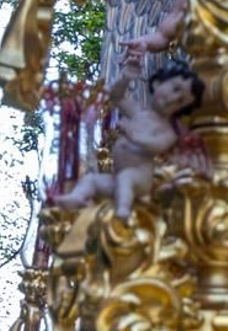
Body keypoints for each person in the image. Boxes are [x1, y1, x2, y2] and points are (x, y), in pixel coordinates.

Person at [53, 50, 203, 220]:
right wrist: (126, 78)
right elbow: (116, 96)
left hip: (139, 178)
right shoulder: (137, 112)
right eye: (175, 89)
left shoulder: (167, 130)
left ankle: (123, 210)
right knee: (92, 179)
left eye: (181, 101)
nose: (174, 99)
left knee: (126, 178)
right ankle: (77, 198)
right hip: (117, 177)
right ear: (157, 83)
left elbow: (158, 145)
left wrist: (134, 137)